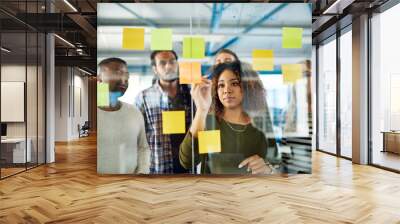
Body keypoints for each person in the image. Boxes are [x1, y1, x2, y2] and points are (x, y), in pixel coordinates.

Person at [179, 61, 277, 174]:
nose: (227, 90)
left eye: (234, 83)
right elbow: (186, 161)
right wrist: (201, 110)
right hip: (215, 190)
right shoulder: (209, 122)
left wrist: (267, 168)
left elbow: (275, 160)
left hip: (250, 190)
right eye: (221, 85)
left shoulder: (260, 124)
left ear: (249, 86)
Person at [135, 50, 192, 174]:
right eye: (162, 63)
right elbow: (138, 137)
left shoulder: (193, 93)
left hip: (191, 166)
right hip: (159, 167)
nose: (169, 66)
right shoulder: (144, 97)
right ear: (155, 69)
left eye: (172, 61)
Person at [97, 57, 150, 174]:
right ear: (99, 78)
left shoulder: (134, 112)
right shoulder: (89, 114)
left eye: (126, 76)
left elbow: (143, 148)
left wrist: (142, 172)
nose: (124, 80)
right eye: (117, 74)